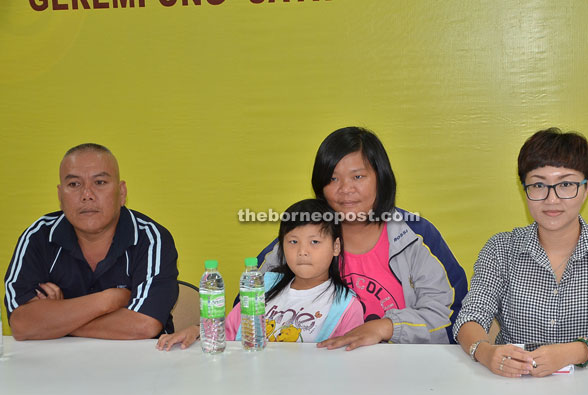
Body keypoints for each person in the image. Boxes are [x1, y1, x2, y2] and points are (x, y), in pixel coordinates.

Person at [454, 128, 588, 377]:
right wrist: (486, 351)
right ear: (525, 189)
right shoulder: (500, 249)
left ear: (587, 188)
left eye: (566, 184)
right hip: (513, 384)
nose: (551, 199)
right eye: (539, 185)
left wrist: (572, 352)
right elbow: (471, 316)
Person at [257, 127, 468, 350]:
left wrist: (386, 327)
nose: (346, 189)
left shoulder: (416, 235)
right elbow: (250, 304)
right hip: (318, 372)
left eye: (358, 177)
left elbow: (453, 315)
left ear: (381, 178)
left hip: (405, 374)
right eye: (333, 179)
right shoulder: (303, 235)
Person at [4, 143, 179, 340]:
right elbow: (22, 325)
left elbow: (144, 326)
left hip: (138, 364)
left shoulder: (151, 238)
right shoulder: (39, 236)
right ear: (60, 196)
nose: (87, 195)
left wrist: (55, 320)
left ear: (122, 193)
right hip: (60, 365)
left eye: (100, 182)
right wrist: (108, 300)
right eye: (74, 185)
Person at [156, 199, 363, 350]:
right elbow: (228, 330)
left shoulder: (346, 306)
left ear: (336, 246)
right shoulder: (264, 285)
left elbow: (346, 363)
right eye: (293, 242)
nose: (302, 251)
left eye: (314, 242)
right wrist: (197, 330)